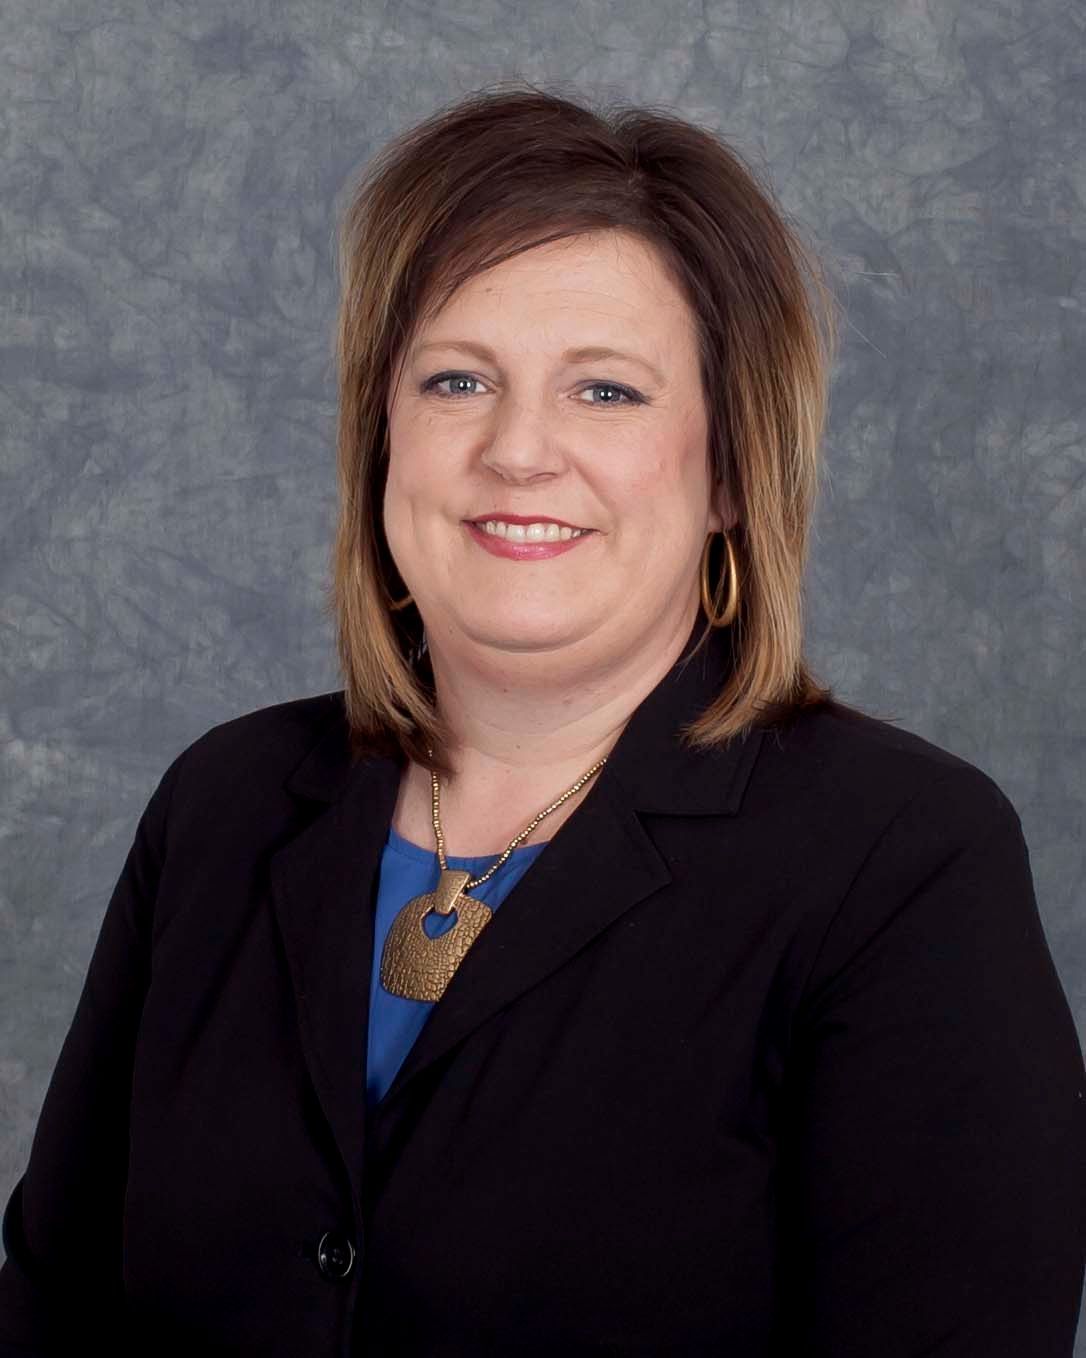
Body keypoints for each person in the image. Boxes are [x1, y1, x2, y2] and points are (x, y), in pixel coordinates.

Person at [1, 83, 1084, 1358]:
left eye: (606, 392)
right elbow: (50, 1313)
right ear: (381, 438)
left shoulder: (903, 857)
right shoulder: (225, 804)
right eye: (457, 378)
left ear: (729, 467)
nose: (519, 450)